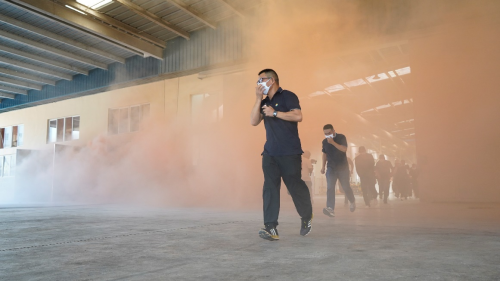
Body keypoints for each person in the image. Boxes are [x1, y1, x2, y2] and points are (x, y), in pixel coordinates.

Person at [250, 69, 313, 241]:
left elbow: (298, 116)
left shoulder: (287, 96)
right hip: (270, 153)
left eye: (260, 80)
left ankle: (306, 216)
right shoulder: (263, 102)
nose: (258, 84)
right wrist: (257, 100)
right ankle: (270, 227)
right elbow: (253, 121)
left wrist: (275, 113)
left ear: (271, 80)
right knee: (270, 189)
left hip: (289, 152)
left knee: (294, 186)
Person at [320, 124, 356, 217]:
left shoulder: (341, 137)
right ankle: (330, 208)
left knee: (345, 187)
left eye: (329, 133)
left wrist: (332, 142)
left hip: (343, 168)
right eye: (325, 134)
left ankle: (352, 201)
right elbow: (324, 154)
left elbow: (344, 149)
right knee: (330, 187)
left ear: (333, 131)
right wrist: (323, 166)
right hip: (331, 168)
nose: (327, 135)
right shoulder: (324, 142)